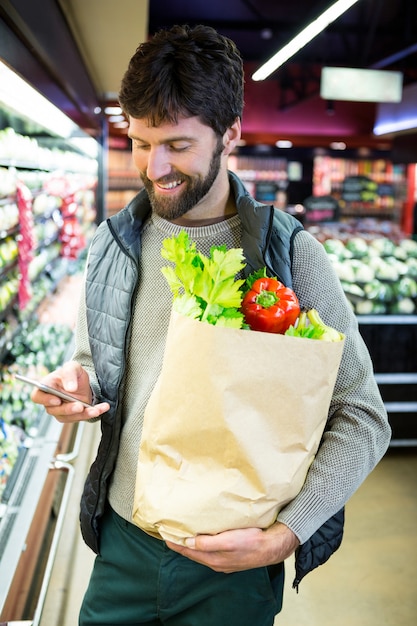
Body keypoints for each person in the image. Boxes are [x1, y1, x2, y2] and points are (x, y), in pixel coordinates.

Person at [31, 24, 391, 626]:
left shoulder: (289, 255)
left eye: (176, 144)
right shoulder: (111, 246)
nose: (154, 166)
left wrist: (286, 535)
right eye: (141, 143)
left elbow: (362, 415)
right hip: (123, 545)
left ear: (231, 135)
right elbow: (100, 369)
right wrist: (79, 386)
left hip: (233, 568)